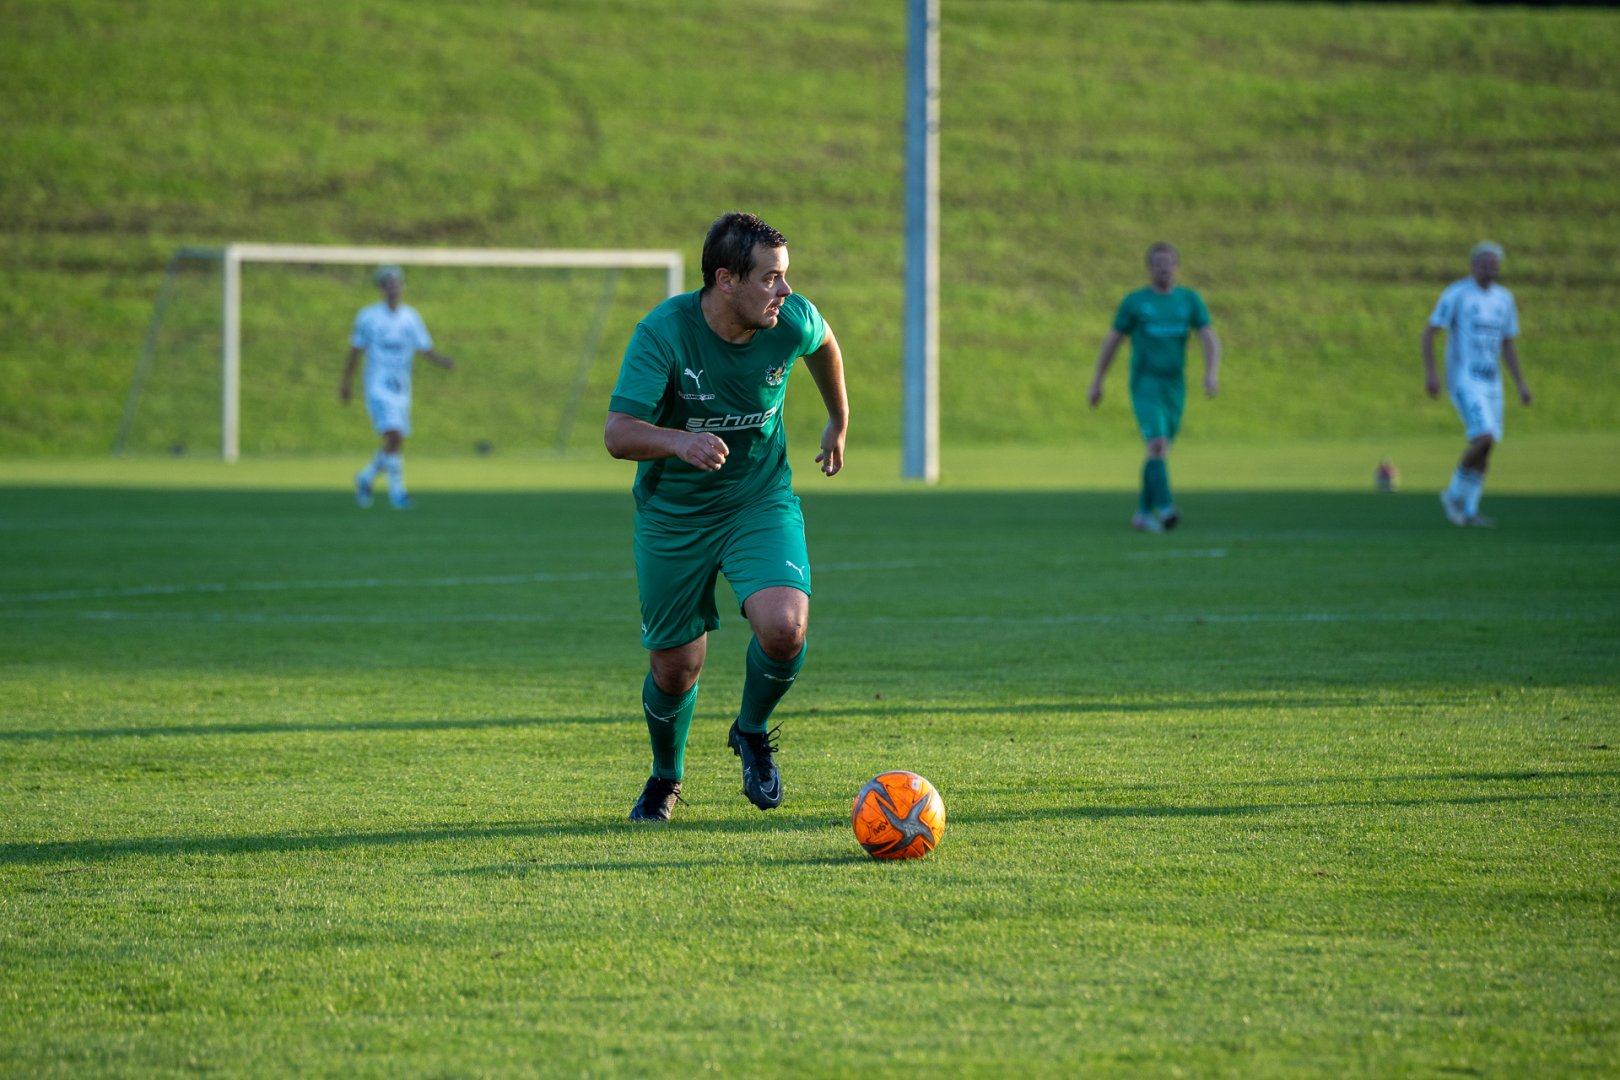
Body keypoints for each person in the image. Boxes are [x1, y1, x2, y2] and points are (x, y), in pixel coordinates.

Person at [604, 212, 849, 822]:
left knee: (786, 625)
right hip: (674, 515)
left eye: (786, 276)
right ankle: (666, 778)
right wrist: (678, 442)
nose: (785, 293)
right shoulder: (663, 333)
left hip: (757, 500)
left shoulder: (786, 319)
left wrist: (838, 418)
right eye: (771, 279)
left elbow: (823, 343)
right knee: (676, 667)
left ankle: (752, 731)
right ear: (726, 279)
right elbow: (617, 433)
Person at [1088, 242, 1221, 532]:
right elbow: (1113, 341)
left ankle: (1141, 515)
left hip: (1175, 386)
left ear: (1176, 266)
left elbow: (1209, 337)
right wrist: (1097, 381)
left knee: (1159, 452)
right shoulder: (1136, 302)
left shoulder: (1189, 300)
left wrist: (1211, 373)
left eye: (1168, 262)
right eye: (1158, 263)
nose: (1164, 268)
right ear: (1149, 268)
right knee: (1157, 444)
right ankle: (1166, 507)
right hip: (1146, 383)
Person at [1423, 242, 1531, 528]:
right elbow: (1430, 332)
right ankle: (1453, 494)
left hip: (1492, 382)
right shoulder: (1457, 294)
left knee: (1488, 446)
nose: (1489, 269)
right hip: (1464, 379)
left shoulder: (1504, 299)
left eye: (1494, 264)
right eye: (1484, 263)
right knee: (1483, 437)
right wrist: (1432, 374)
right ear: (1473, 266)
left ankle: (1469, 511)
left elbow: (1507, 343)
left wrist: (1520, 383)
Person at [339, 266, 455, 509]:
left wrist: (443, 361)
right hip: (377, 385)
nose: (393, 288)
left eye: (397, 284)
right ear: (381, 289)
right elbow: (355, 351)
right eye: (388, 284)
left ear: (402, 287)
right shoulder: (368, 317)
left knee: (396, 439)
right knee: (393, 434)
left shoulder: (410, 317)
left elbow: (425, 348)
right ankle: (398, 493)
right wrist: (346, 383)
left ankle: (366, 477)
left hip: (401, 386)